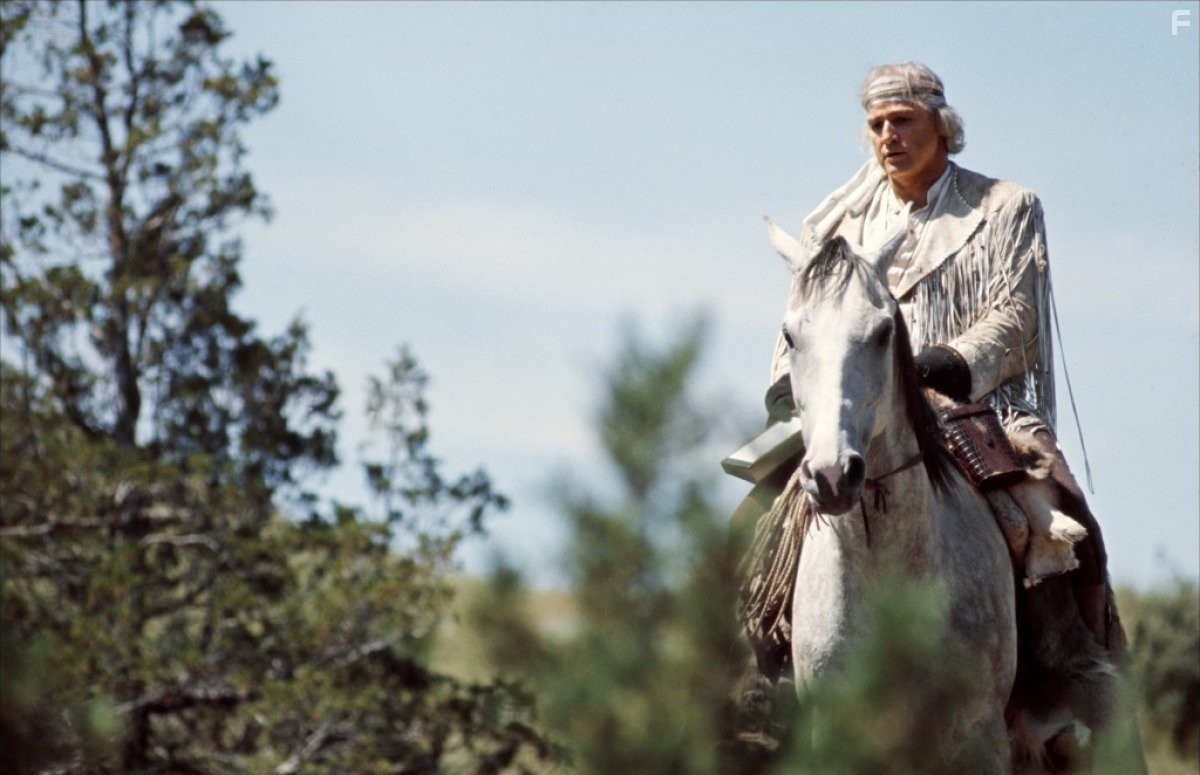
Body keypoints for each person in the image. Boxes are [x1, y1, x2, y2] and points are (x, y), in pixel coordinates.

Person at [760, 61, 1125, 658]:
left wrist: (944, 363)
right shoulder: (834, 225)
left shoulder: (1005, 207)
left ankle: (1071, 687)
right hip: (849, 411)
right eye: (876, 125)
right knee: (749, 529)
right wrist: (784, 385)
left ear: (943, 125)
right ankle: (752, 700)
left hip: (978, 407)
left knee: (1064, 513)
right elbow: (803, 325)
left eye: (902, 121)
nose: (887, 137)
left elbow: (1018, 317)